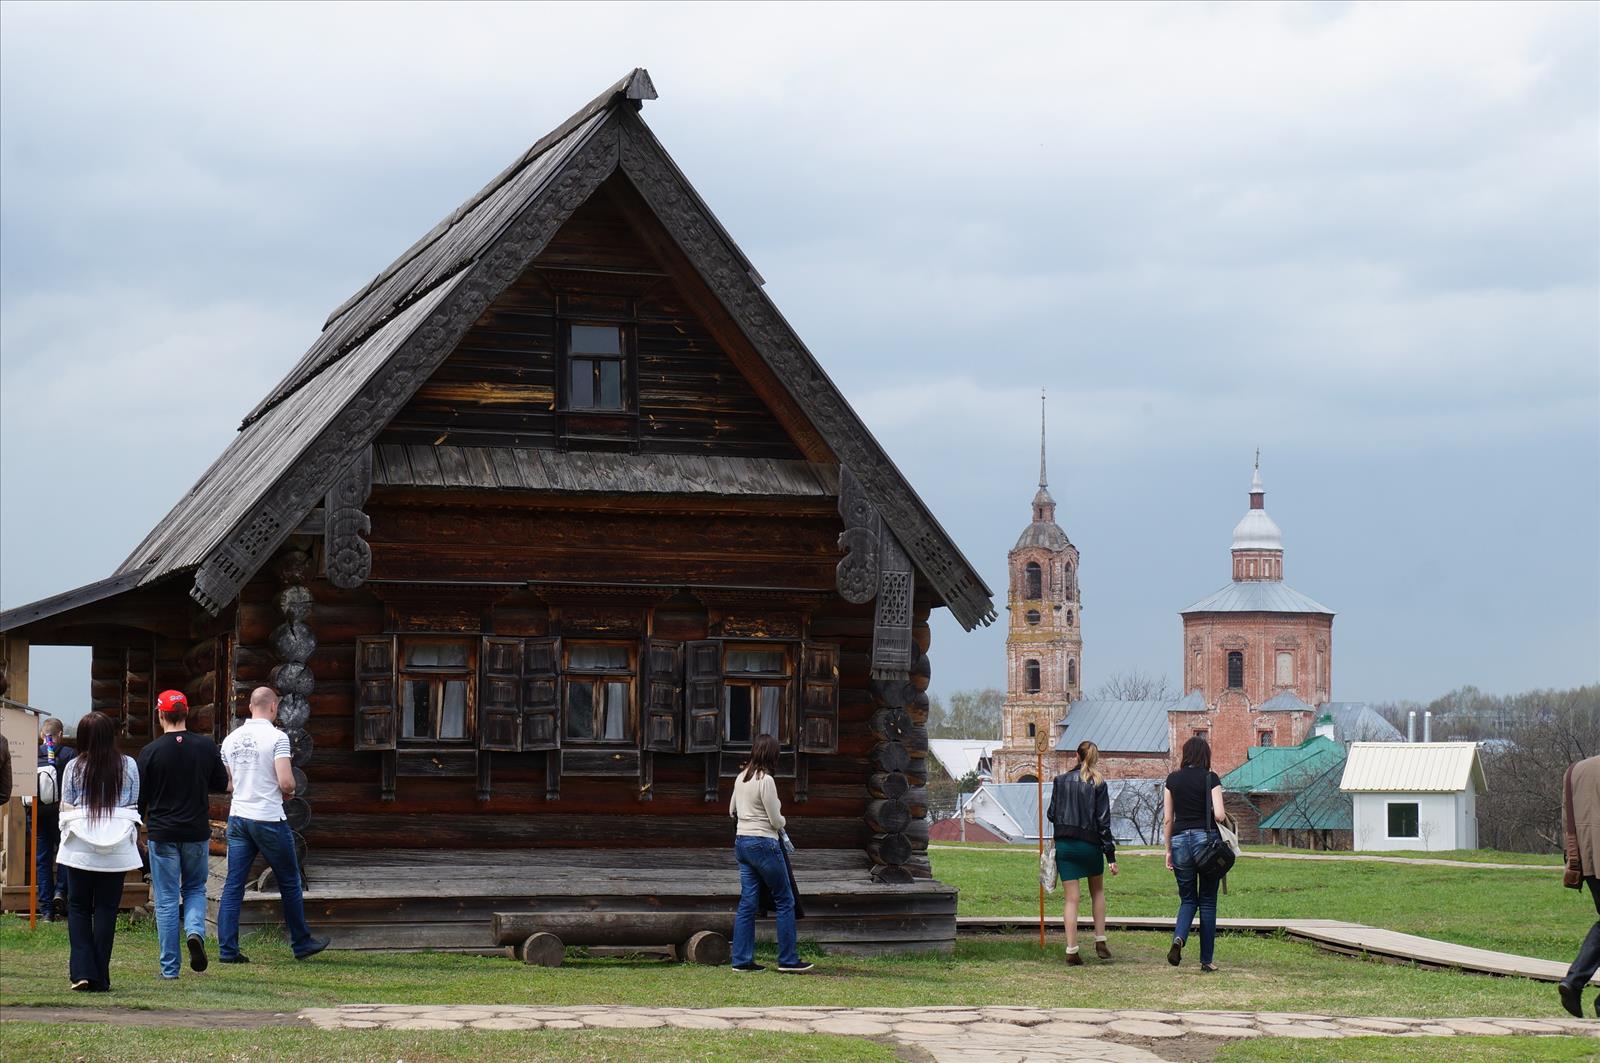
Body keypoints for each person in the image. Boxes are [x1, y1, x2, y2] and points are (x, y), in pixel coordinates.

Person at [216, 687, 328, 963]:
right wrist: (287, 791)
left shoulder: (230, 740)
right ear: (273, 707)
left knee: (233, 884)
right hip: (267, 817)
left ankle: (227, 949)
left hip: (239, 816)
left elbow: (229, 784)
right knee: (289, 880)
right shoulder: (278, 738)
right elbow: (287, 781)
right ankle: (301, 942)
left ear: (250, 706)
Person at [138, 690, 229, 979]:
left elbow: (140, 798)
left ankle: (169, 969)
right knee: (194, 889)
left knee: (166, 899)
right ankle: (194, 931)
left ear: (160, 714)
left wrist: (137, 829)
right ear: (186, 713)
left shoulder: (150, 752)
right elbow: (221, 783)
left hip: (162, 833)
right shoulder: (205, 747)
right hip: (196, 831)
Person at [57, 712, 141, 992]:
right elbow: (131, 803)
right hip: (115, 848)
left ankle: (81, 972)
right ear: (111, 735)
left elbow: (66, 805)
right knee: (106, 909)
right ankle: (101, 976)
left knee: (79, 907)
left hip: (80, 846)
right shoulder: (128, 765)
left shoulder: (73, 766)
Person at [728, 733, 811, 974]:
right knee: (785, 899)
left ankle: (741, 960)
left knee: (748, 902)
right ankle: (787, 959)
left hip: (742, 842)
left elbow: (731, 809)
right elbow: (775, 820)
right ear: (772, 754)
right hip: (764, 842)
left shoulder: (740, 777)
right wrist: (783, 818)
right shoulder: (766, 780)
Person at [1047, 740, 1119, 965]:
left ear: (1075, 756)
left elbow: (1051, 814)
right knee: (1097, 891)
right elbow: (1103, 822)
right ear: (1094, 759)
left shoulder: (1060, 781)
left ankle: (1071, 950)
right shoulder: (1098, 783)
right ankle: (1100, 939)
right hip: (1090, 845)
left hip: (1066, 846)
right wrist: (1110, 856)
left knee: (1071, 899)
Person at [1164, 734, 1226, 972]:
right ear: (1205, 756)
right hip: (1206, 842)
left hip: (1179, 841)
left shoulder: (1172, 780)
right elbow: (1219, 815)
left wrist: (1168, 850)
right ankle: (1206, 961)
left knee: (1188, 899)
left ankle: (1179, 938)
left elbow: (1168, 818)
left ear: (1186, 755)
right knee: (1208, 901)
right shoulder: (1211, 778)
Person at [1559, 754, 1600, 1017]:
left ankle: (1574, 983)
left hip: (1587, 860)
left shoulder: (1576, 770)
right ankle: (1574, 982)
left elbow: (1567, 821)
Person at [34, 717, 76, 919]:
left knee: (42, 860)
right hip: (62, 815)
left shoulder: (32, 754)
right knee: (65, 855)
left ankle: (46, 911)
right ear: (60, 734)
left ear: (43, 735)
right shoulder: (69, 754)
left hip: (38, 814)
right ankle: (61, 892)